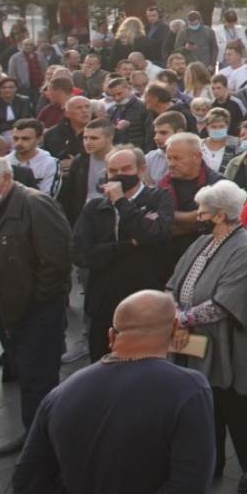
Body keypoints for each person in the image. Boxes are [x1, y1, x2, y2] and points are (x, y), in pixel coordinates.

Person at [12, 290, 227, 494]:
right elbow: (187, 487)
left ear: (111, 336)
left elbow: (28, 478)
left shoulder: (60, 395)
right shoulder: (189, 389)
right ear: (174, 332)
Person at [0, 154, 73, 456]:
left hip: (34, 315)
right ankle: (36, 433)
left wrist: (35, 304)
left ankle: (42, 445)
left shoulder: (35, 205)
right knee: (27, 375)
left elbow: (57, 262)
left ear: (6, 179)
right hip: (3, 311)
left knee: (38, 379)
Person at [168, 180, 247, 494]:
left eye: (202, 212)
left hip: (229, 346)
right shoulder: (202, 242)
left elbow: (224, 304)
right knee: (205, 407)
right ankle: (213, 464)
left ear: (220, 214)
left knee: (236, 407)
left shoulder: (246, 249)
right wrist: (175, 316)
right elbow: (173, 284)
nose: (197, 217)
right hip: (193, 341)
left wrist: (181, 320)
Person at [70, 146, 174, 361]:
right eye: (113, 170)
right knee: (102, 361)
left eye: (126, 169)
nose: (119, 175)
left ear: (141, 169)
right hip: (103, 301)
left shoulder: (159, 197)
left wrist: (121, 202)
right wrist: (128, 245)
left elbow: (153, 234)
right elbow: (80, 253)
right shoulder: (94, 207)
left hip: (145, 299)